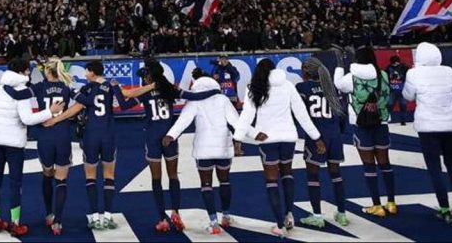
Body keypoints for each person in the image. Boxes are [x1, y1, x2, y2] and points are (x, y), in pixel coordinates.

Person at [116, 59, 218, 233]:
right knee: (173, 176)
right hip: (170, 136)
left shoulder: (145, 92)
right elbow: (194, 96)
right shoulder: (170, 89)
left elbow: (124, 105)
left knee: (156, 179)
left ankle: (162, 219)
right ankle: (176, 212)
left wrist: (116, 88)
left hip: (152, 137)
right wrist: (215, 92)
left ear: (149, 76)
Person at [234, 58, 325, 238]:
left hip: (268, 139)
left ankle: (278, 224)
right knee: (287, 174)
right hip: (288, 138)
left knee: (271, 181)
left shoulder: (254, 89)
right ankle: (289, 215)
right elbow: (301, 114)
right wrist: (317, 137)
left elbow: (246, 116)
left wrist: (238, 139)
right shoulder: (288, 86)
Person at [48, 60, 137, 230]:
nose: (85, 74)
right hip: (108, 134)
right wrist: (140, 97)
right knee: (109, 175)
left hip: (91, 135)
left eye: (86, 71)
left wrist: (55, 119)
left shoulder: (87, 88)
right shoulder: (112, 85)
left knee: (90, 176)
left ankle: (95, 217)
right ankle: (109, 216)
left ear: (91, 72)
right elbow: (125, 104)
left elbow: (75, 109)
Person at [163, 69, 248, 235]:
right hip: (223, 147)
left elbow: (183, 121)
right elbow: (236, 123)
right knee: (225, 181)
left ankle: (213, 222)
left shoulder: (195, 101)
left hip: (204, 149)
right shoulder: (223, 99)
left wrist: (170, 135)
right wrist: (240, 140)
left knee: (206, 185)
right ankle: (227, 215)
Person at [0, 58, 63, 237]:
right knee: (15, 183)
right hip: (14, 143)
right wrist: (49, 112)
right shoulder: (22, 91)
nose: (29, 73)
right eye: (28, 70)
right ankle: (15, 223)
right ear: (22, 71)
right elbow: (27, 119)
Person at [334, 46, 397, 217]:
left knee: (369, 165)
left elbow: (337, 84)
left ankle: (376, 205)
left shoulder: (352, 78)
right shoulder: (383, 74)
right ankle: (391, 203)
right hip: (382, 122)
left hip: (362, 125)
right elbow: (389, 94)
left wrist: (340, 64)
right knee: (385, 164)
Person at [402, 42, 452, 223]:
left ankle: (445, 208)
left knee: (435, 169)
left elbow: (408, 96)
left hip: (428, 126)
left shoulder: (414, 73)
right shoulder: (449, 71)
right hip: (450, 123)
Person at [296, 58, 350, 229]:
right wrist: (339, 131)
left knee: (313, 176)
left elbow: (299, 114)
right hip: (334, 135)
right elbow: (343, 113)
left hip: (316, 137)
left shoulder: (302, 88)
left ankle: (317, 216)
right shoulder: (333, 88)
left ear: (305, 72)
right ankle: (342, 213)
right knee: (336, 174)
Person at [29, 58, 77, 236]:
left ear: (47, 71)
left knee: (47, 174)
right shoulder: (66, 88)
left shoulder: (39, 87)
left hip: (45, 136)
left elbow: (20, 94)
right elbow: (80, 103)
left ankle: (49, 213)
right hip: (63, 135)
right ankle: (58, 221)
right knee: (62, 179)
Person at [386, 55, 409, 125]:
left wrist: (401, 78)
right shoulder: (388, 68)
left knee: (403, 105)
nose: (394, 65)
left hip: (402, 90)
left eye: (395, 63)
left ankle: (403, 120)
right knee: (389, 105)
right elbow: (386, 77)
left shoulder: (404, 68)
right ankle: (386, 119)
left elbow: (408, 77)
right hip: (392, 90)